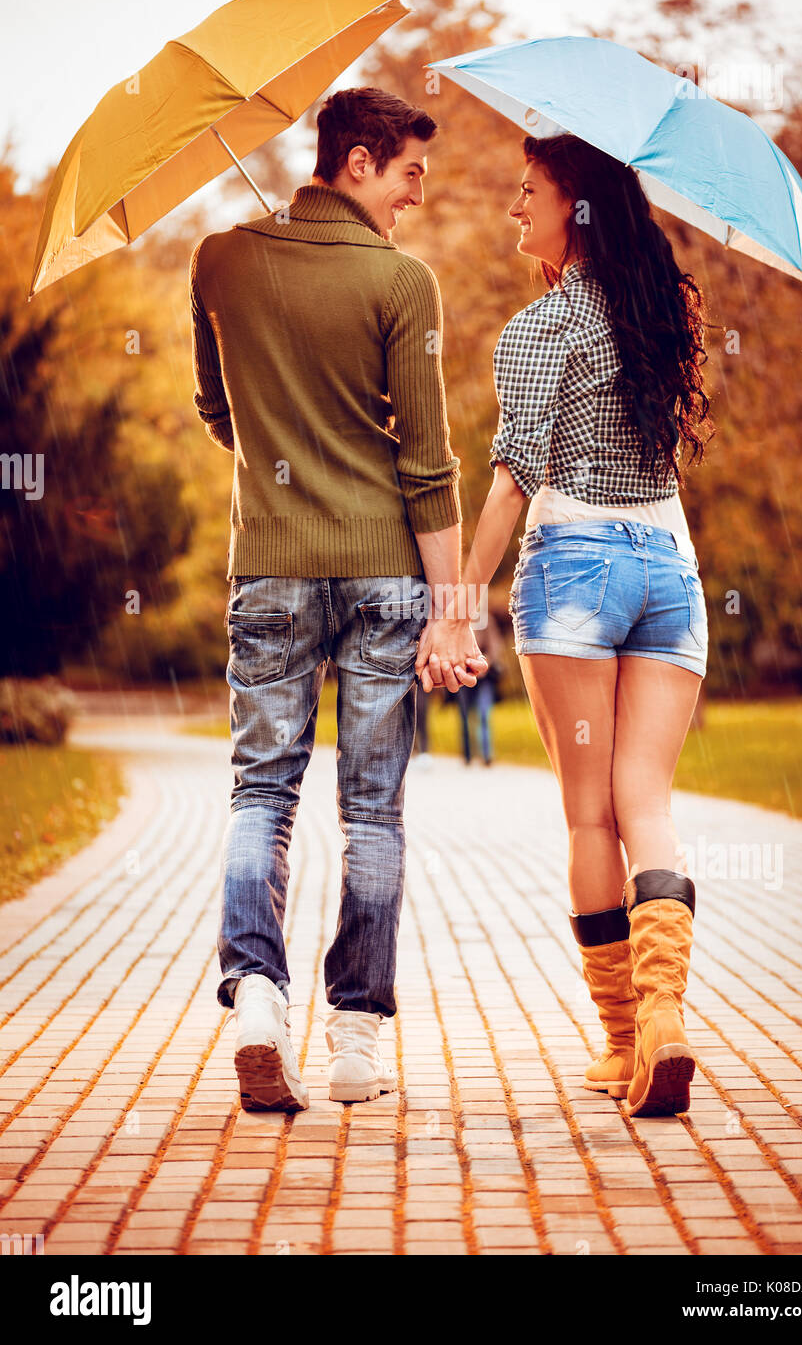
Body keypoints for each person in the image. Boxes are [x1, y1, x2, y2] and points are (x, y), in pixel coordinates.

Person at [190, 87, 485, 1112]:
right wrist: (454, 609)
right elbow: (429, 465)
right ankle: (355, 1035)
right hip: (382, 572)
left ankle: (259, 998)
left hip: (268, 564)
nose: (413, 198)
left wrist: (287, 455)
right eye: (408, 174)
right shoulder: (403, 284)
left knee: (260, 793)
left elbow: (217, 410)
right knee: (372, 808)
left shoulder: (219, 258)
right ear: (356, 161)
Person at [416, 133, 712, 1117]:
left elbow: (513, 477)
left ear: (575, 207)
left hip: (576, 569)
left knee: (590, 816)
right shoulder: (664, 311)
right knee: (648, 804)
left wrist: (457, 608)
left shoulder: (540, 329)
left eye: (528, 192)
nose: (513, 209)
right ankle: (668, 1014)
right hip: (668, 570)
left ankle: (627, 1038)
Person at [456, 618, 504, 765]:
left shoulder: (487, 619)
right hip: (463, 674)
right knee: (464, 715)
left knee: (484, 713)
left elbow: (495, 645)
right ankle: (468, 755)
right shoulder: (456, 617)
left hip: (485, 677)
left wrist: (484, 663)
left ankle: (486, 755)